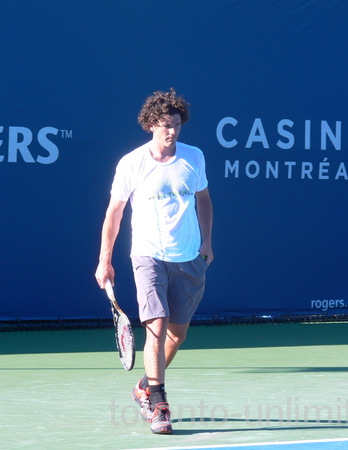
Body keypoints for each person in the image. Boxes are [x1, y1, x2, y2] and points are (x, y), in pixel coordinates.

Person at [95, 88, 213, 434]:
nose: (171, 132)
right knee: (156, 327)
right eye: (164, 125)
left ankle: (145, 387)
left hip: (189, 257)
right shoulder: (132, 163)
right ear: (150, 125)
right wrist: (105, 261)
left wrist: (207, 242)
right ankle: (159, 404)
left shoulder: (194, 157)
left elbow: (204, 200)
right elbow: (114, 213)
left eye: (176, 125)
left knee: (177, 336)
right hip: (147, 255)